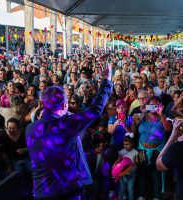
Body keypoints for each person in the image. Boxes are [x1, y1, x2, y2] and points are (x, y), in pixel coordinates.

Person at [25, 63, 112, 199]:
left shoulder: (30, 128)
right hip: (66, 192)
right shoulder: (65, 124)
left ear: (43, 104)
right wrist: (106, 82)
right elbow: (95, 109)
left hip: (42, 192)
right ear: (65, 105)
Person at [118, 133, 138, 200]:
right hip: (123, 173)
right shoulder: (121, 152)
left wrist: (133, 165)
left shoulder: (135, 152)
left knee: (130, 188)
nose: (125, 146)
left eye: (127, 144)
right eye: (124, 144)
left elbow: (136, 164)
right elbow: (118, 163)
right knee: (122, 188)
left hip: (132, 172)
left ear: (132, 144)